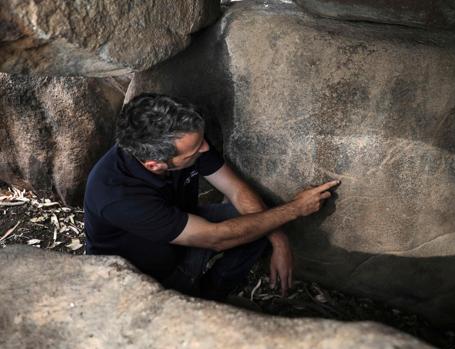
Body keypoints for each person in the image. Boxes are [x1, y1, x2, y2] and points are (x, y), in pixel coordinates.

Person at [83, 93, 338, 300]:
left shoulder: (184, 141)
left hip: (181, 238)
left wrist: (280, 241)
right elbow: (218, 239)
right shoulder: (117, 195)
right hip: (143, 280)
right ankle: (192, 302)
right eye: (195, 150)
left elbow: (236, 190)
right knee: (260, 222)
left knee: (261, 216)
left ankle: (214, 293)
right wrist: (295, 209)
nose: (206, 148)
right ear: (155, 164)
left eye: (202, 140)